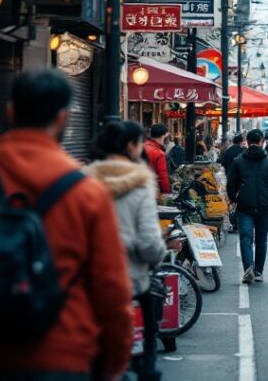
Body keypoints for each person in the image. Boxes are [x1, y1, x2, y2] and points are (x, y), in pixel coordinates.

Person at [0, 69, 133, 379]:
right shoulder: (87, 192)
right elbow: (111, 288)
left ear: (10, 112)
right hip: (64, 354)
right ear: (64, 118)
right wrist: (113, 362)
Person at [85, 121, 167, 381]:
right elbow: (150, 246)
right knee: (143, 356)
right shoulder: (140, 186)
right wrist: (160, 253)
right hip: (131, 285)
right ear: (131, 146)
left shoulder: (82, 183)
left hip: (91, 286)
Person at [227, 128, 268, 284]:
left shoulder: (238, 161)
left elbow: (231, 184)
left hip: (244, 206)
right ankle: (258, 271)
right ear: (262, 142)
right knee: (261, 240)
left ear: (247, 142)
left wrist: (234, 199)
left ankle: (248, 269)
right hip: (265, 207)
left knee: (245, 238)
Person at [144, 123, 172, 194]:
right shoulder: (159, 153)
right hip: (153, 191)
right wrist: (167, 193)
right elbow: (163, 177)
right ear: (163, 135)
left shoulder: (141, 147)